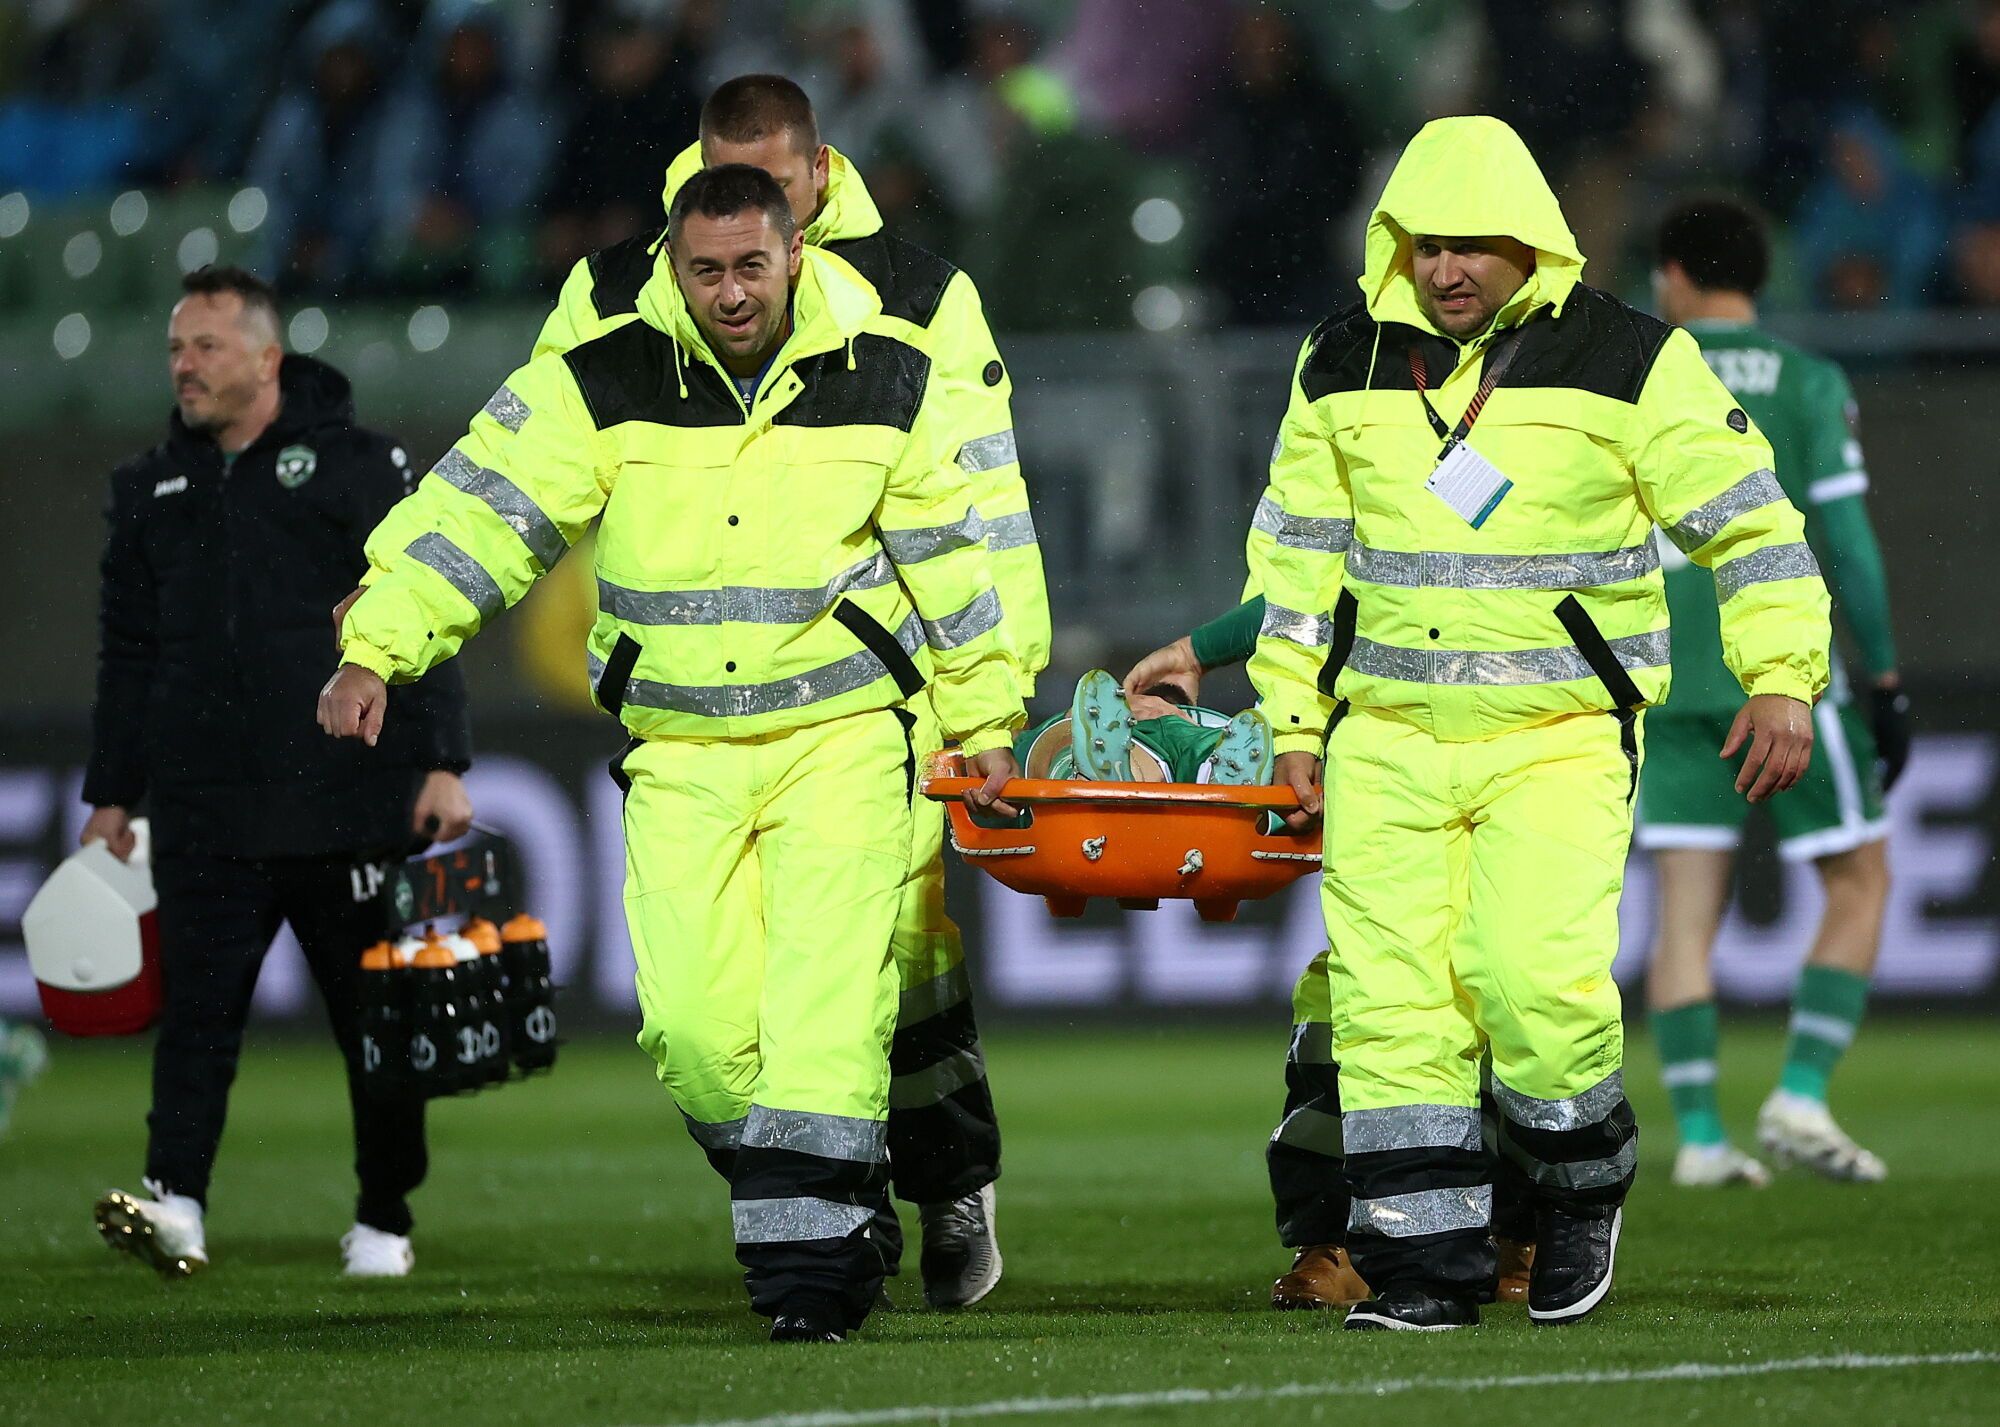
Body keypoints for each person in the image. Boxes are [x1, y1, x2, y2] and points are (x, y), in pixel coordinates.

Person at [319, 165, 1024, 1342]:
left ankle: (815, 1283)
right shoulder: (603, 379)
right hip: (684, 751)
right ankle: (830, 1204)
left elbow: (953, 568)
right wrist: (374, 650)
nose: (731, 292)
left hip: (843, 742)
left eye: (752, 264)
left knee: (823, 1017)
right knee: (693, 1037)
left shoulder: (888, 378)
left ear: (795, 253)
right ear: (672, 266)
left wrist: (985, 719)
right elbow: (483, 510)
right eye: (706, 270)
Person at [1242, 116, 1831, 1331]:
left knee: (1530, 988)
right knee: (1391, 1012)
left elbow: (1751, 523)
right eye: (1424, 243)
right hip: (1384, 739)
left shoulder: (1631, 357)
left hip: (1554, 737)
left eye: (1474, 245)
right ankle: (1424, 1271)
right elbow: (1292, 563)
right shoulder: (1337, 361)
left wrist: (1780, 673)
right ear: (1392, 243)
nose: (1446, 269)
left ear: (1536, 245)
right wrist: (1291, 728)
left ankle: (1578, 1190)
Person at [529, 74, 1048, 1312]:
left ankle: (949, 1183)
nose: (764, 193)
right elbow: (552, 449)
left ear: (818, 172)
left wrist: (996, 697)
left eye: (780, 174)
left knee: (897, 968)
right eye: (727, 168)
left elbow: (978, 500)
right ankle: (829, 1190)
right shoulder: (617, 293)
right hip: (705, 700)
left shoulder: (919, 295)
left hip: (890, 682)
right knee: (752, 1006)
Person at [86, 265, 473, 1280]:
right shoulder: (148, 488)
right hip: (206, 806)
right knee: (197, 1026)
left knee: (373, 1033)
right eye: (176, 347)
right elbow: (126, 651)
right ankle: (176, 1201)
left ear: (267, 358)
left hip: (344, 800)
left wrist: (439, 761)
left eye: (206, 346)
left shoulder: (354, 466)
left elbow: (420, 614)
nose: (185, 365)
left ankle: (385, 1216)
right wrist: (112, 795)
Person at [1124, 612, 1538, 1316]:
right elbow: (1309, 585)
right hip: (1387, 743)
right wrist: (1202, 650)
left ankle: (1521, 1227)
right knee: (1343, 999)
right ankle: (1337, 1238)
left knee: (1505, 988)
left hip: (1532, 742)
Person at [1643, 198, 1907, 1187]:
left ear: (1673, 275)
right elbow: (1845, 545)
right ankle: (1798, 1090)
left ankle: (1703, 1138)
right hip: (1785, 680)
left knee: (1682, 915)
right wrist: (1880, 676)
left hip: (1667, 680)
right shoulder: (1805, 381)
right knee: (1860, 875)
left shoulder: (1637, 379)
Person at [1017, 670, 1270, 784]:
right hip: (1177, 761)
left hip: (1048, 763)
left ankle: (1073, 775)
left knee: (1038, 747)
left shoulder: (1147, 712)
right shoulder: (1176, 721)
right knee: (1198, 750)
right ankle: (1206, 772)